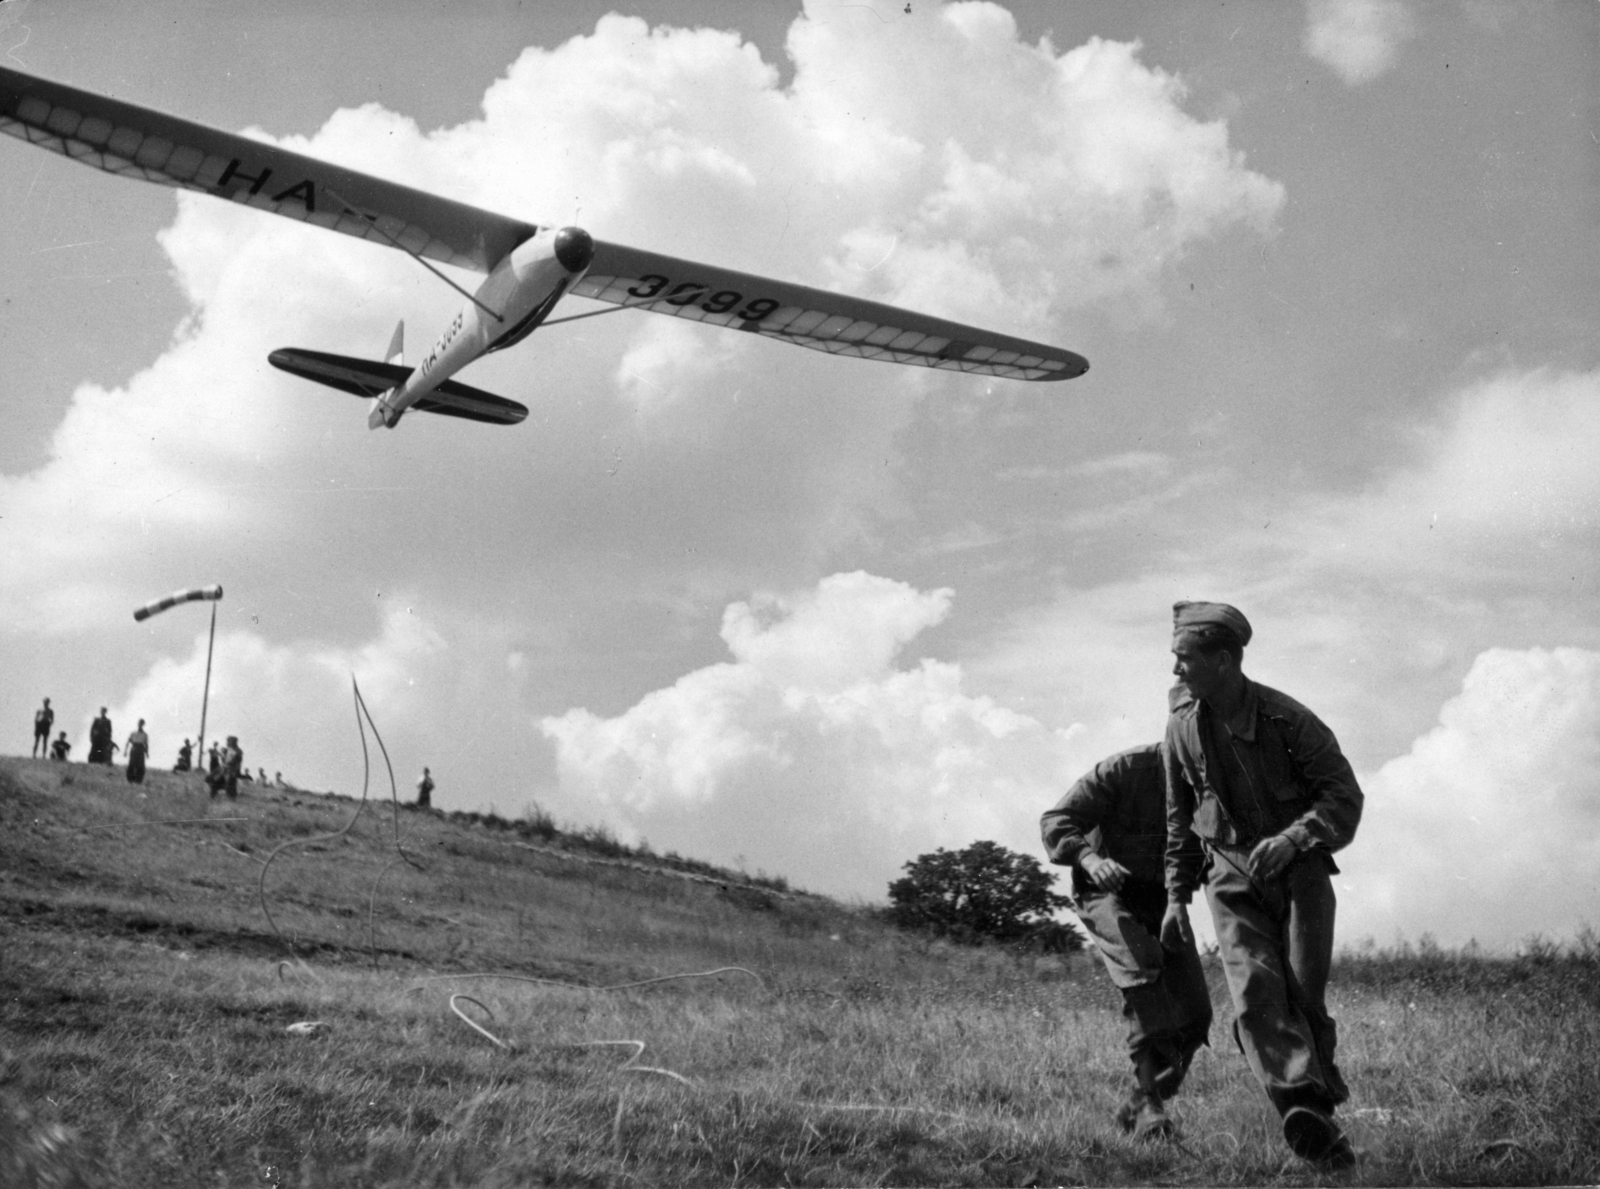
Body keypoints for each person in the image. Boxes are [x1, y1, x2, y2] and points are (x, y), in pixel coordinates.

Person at [1160, 601, 1364, 1169]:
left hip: (1298, 874)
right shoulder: (1180, 725)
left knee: (1302, 998)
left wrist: (1297, 837)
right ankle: (1301, 1105)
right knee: (1255, 994)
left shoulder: (1288, 720)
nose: (1175, 671)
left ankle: (1321, 1121)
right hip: (1228, 874)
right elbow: (1180, 817)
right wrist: (1176, 898)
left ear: (1223, 660)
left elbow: (1343, 798)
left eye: (1184, 660)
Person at [1042, 743, 1212, 1140]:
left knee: (1197, 1015)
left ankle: (1139, 1102)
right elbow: (1056, 820)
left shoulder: (1215, 780)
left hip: (1165, 900)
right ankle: (1150, 1105)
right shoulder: (1124, 769)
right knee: (1142, 966)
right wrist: (1091, 860)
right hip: (1106, 892)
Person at [124, 719, 150, 784]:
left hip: (141, 750)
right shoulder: (133, 733)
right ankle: (130, 779)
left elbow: (146, 744)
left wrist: (147, 753)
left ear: (143, 725)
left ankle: (138, 780)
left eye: (141, 724)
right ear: (138, 724)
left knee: (140, 766)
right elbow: (128, 742)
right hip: (134, 749)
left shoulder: (145, 734)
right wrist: (125, 751)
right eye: (139, 723)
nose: (140, 725)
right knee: (132, 764)